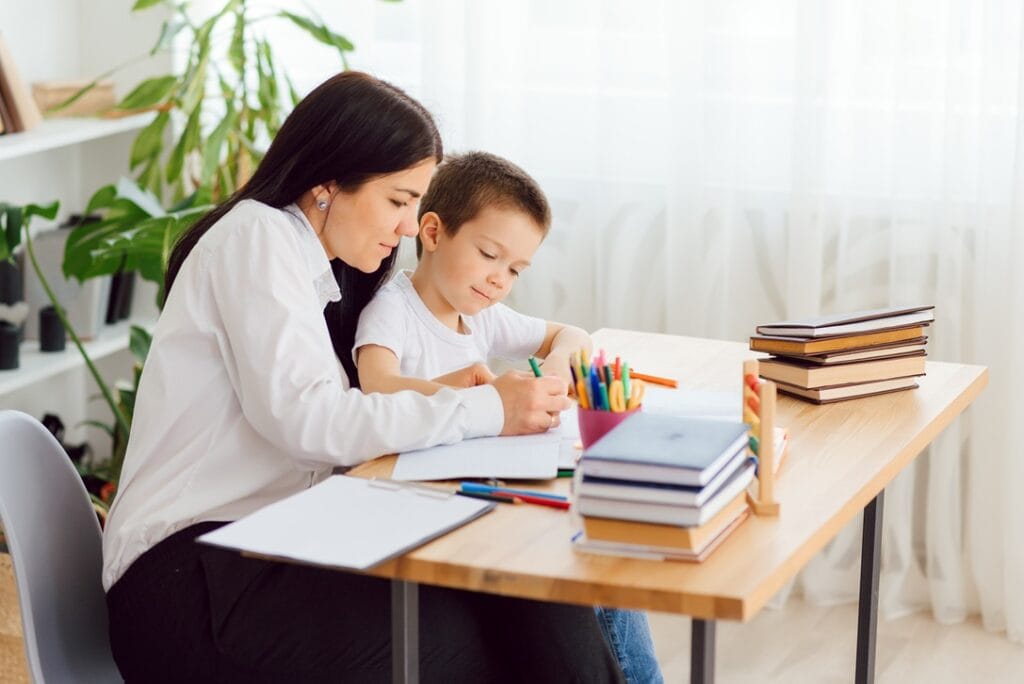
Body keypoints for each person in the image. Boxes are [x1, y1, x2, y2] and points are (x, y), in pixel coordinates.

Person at [101, 72, 624, 683]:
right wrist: (490, 411)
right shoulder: (256, 237)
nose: (408, 226)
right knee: (482, 634)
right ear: (327, 183)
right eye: (399, 200)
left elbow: (341, 413)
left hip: (270, 543)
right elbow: (310, 421)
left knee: (521, 587)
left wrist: (462, 400)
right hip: (187, 583)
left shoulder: (321, 269)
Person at [354, 151, 663, 684]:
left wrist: (565, 359)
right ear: (432, 230)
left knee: (598, 545)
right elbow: (374, 385)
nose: (500, 280)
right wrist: (467, 393)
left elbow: (569, 334)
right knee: (573, 560)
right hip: (425, 501)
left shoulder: (482, 316)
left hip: (482, 483)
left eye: (515, 270)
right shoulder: (394, 309)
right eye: (490, 255)